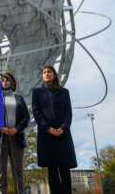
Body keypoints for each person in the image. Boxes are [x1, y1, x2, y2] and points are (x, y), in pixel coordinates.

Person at [32, 65, 77, 194]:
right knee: (52, 170)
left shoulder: (64, 92)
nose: (47, 74)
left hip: (63, 134)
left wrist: (63, 128)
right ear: (42, 75)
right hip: (47, 135)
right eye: (44, 72)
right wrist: (47, 128)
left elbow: (68, 113)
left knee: (64, 169)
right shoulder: (37, 92)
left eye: (49, 72)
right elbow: (37, 112)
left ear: (54, 75)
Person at [0, 72, 30, 194]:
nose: (4, 81)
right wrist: (1, 128)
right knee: (1, 172)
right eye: (2, 80)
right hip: (1, 139)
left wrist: (16, 129)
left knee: (18, 172)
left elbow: (26, 118)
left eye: (7, 79)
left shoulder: (19, 98)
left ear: (12, 82)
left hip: (17, 138)